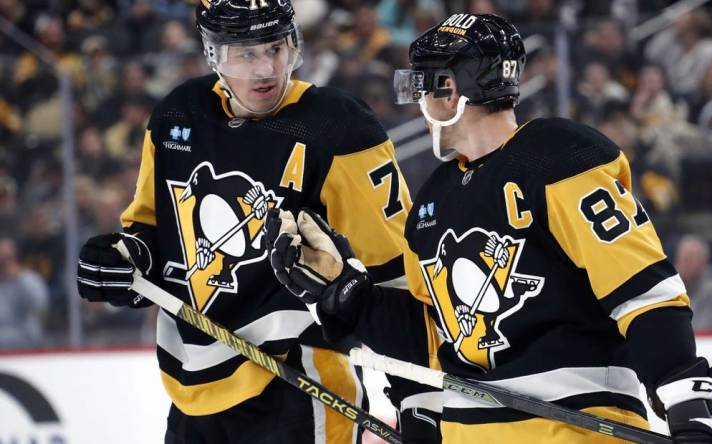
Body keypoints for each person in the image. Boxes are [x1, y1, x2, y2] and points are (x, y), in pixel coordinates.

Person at [265, 13, 712, 443]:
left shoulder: (559, 156)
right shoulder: (432, 201)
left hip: (572, 431)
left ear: (452, 89)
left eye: (426, 86)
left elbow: (640, 287)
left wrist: (688, 397)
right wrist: (348, 294)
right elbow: (431, 339)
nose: (419, 103)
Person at [75, 0, 439, 443]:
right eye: (245, 53)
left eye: (276, 47)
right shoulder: (178, 115)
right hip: (190, 394)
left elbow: (397, 278)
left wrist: (418, 398)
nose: (266, 68)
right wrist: (125, 260)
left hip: (299, 388)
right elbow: (153, 231)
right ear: (212, 54)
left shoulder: (339, 128)